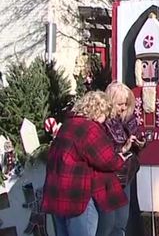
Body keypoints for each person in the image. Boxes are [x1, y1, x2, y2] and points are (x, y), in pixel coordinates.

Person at [42, 91, 133, 236]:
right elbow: (107, 159)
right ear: (100, 110)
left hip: (56, 194)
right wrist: (121, 158)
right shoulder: (89, 128)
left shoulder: (68, 124)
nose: (105, 120)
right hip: (76, 195)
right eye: (106, 114)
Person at [97, 82, 143, 236]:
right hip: (109, 177)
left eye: (126, 104)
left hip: (126, 174)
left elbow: (138, 135)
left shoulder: (127, 117)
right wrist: (123, 148)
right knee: (109, 223)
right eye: (119, 104)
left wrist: (140, 141)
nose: (123, 107)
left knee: (122, 220)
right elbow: (102, 151)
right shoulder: (102, 121)